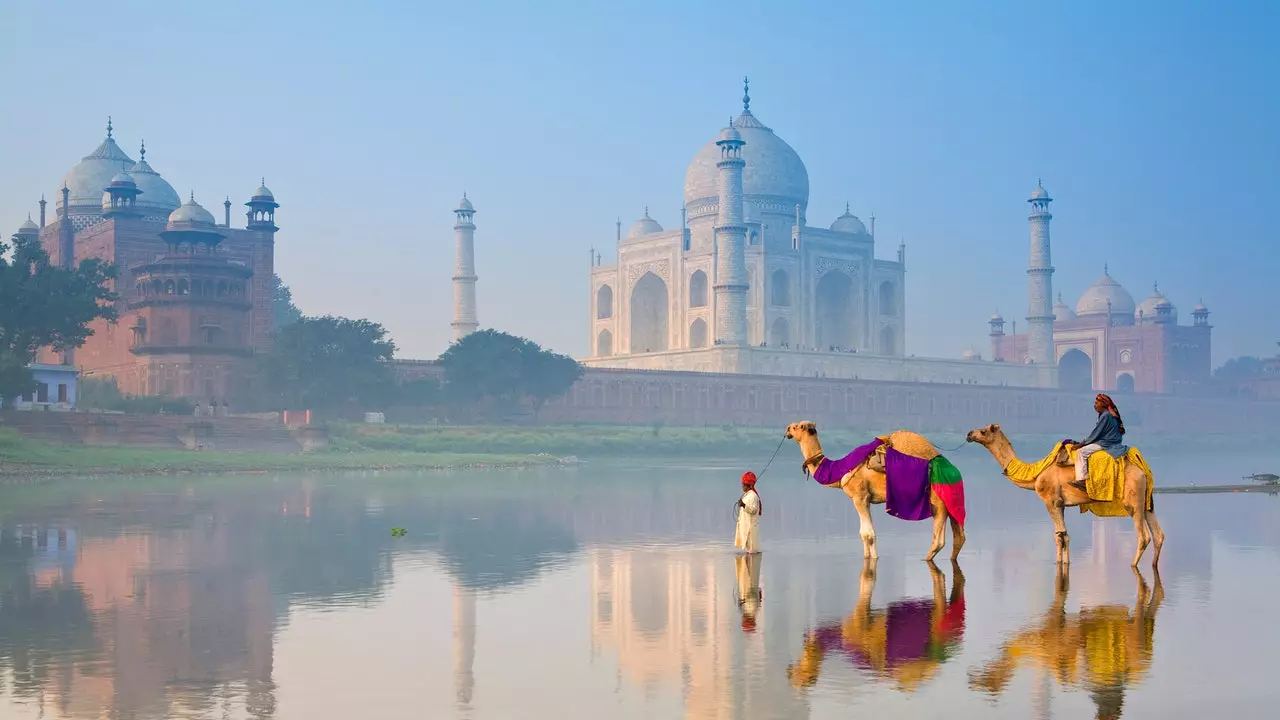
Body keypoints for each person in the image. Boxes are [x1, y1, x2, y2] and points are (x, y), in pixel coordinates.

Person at [1071, 393, 1126, 490]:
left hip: (1107, 443)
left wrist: (1081, 444)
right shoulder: (1109, 414)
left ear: (1103, 404)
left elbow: (1096, 433)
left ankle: (1082, 480)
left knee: (1081, 452)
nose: (1094, 405)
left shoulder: (1105, 416)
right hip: (1112, 441)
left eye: (1096, 403)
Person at [734, 471, 762, 553]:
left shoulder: (753, 496)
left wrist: (743, 505)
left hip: (750, 528)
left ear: (749, 485)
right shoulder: (747, 494)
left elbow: (753, 510)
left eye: (743, 484)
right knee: (749, 552)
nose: (742, 486)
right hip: (746, 527)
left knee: (752, 552)